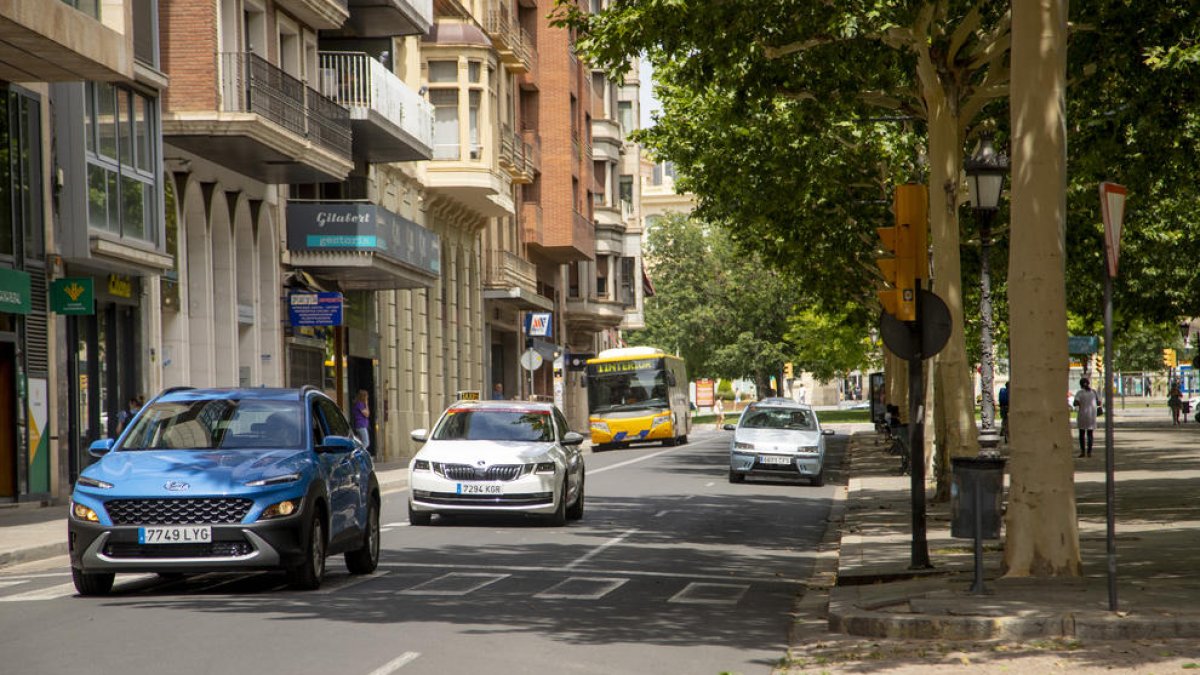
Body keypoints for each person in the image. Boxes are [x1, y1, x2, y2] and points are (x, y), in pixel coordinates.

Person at [1073, 378, 1100, 458]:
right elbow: (1099, 402)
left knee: (1082, 434)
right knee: (1090, 434)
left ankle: (1082, 452)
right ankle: (1089, 452)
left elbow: (1076, 403)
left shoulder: (1079, 393)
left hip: (1082, 415)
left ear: (1081, 384)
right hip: (1092, 416)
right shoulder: (1094, 392)